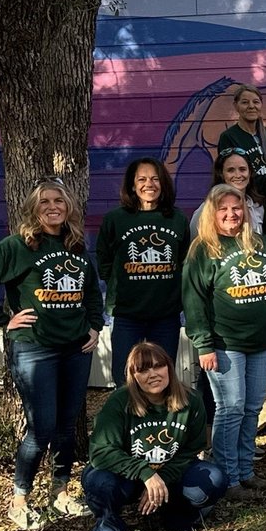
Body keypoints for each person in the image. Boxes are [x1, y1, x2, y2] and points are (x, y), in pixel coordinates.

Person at [0, 178, 103, 529]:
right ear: (33, 209)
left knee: (68, 427)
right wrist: (3, 319)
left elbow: (90, 292)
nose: (53, 207)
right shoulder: (17, 246)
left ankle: (60, 494)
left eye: (59, 201)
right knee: (40, 429)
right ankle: (20, 500)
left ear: (68, 206)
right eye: (44, 203)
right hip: (36, 350)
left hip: (76, 349)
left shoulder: (75, 245)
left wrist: (95, 325)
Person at [182, 184, 266, 498]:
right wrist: (204, 345)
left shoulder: (258, 244)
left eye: (237, 209)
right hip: (225, 344)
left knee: (250, 409)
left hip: (261, 343)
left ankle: (246, 471)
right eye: (224, 209)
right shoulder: (203, 251)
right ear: (212, 213)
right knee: (229, 408)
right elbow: (193, 303)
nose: (232, 214)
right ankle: (228, 479)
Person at [83, 342, 225, 531]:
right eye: (143, 369)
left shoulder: (191, 400)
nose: (153, 374)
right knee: (98, 482)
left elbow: (191, 449)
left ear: (169, 367)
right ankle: (109, 523)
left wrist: (162, 479)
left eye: (159, 366)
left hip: (170, 473)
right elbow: (100, 452)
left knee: (215, 479)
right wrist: (146, 474)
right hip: (126, 477)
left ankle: (177, 510)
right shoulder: (119, 401)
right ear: (133, 375)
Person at [97, 157, 189, 382]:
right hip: (127, 315)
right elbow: (104, 260)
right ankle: (129, 417)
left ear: (163, 183)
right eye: (142, 179)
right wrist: (121, 287)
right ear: (132, 185)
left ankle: (159, 418)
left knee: (162, 378)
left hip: (166, 316)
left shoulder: (177, 219)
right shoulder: (115, 219)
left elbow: (185, 261)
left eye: (155, 179)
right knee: (126, 378)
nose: (149, 184)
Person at [216, 83, 266, 192]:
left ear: (261, 105)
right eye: (245, 102)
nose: (251, 106)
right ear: (236, 106)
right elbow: (233, 176)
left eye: (256, 102)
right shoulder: (229, 137)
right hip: (249, 201)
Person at [190, 149, 266, 235]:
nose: (238, 175)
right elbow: (195, 243)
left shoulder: (257, 206)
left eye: (242, 169)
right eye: (231, 170)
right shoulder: (206, 209)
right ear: (221, 174)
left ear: (250, 172)